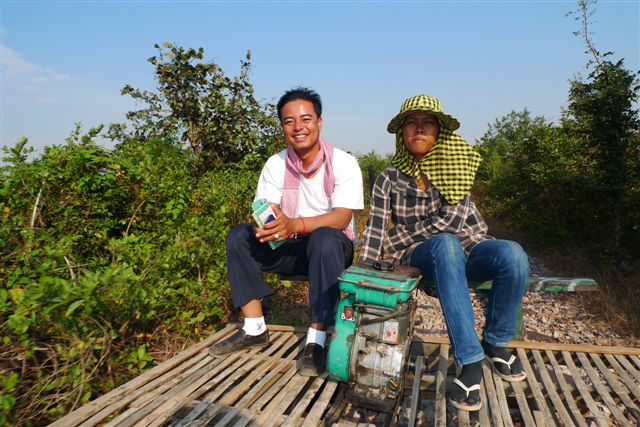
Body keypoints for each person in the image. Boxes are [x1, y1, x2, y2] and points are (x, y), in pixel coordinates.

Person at [359, 94, 529, 411]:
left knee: (513, 254)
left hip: (470, 247)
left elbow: (451, 221)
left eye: (428, 123)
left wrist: (395, 239)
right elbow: (375, 228)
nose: (419, 129)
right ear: (401, 132)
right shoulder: (388, 178)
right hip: (425, 256)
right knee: (445, 244)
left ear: (439, 131)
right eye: (412, 122)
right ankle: (470, 361)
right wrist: (365, 270)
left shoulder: (455, 167)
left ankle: (496, 341)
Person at [209, 87, 364, 377]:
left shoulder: (344, 163)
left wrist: (295, 224)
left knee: (324, 237)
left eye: (305, 119)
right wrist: (266, 226)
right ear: (282, 127)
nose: (298, 127)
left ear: (319, 122)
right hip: (291, 246)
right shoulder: (275, 164)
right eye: (289, 121)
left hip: (331, 248)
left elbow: (342, 218)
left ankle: (317, 338)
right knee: (239, 237)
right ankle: (254, 328)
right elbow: (266, 209)